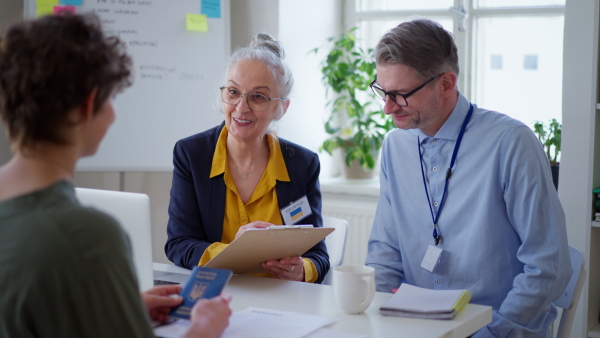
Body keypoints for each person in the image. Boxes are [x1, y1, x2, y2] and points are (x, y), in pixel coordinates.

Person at [0, 13, 231, 338]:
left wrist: (120, 306)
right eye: (111, 98)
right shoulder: (89, 236)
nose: (113, 113)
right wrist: (204, 329)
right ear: (88, 104)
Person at [365, 19, 571, 337]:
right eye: (383, 92)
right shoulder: (395, 146)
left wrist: (488, 333)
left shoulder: (511, 143)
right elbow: (384, 253)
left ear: (446, 83)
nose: (388, 108)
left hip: (498, 329)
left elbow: (547, 268)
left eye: (401, 95)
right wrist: (380, 323)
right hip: (417, 328)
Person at [165, 33, 329, 283]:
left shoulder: (302, 165)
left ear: (282, 108)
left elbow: (317, 255)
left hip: (283, 299)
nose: (241, 107)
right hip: (217, 291)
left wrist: (302, 269)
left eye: (258, 97)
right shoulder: (192, 155)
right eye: (233, 92)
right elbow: (178, 244)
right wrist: (233, 253)